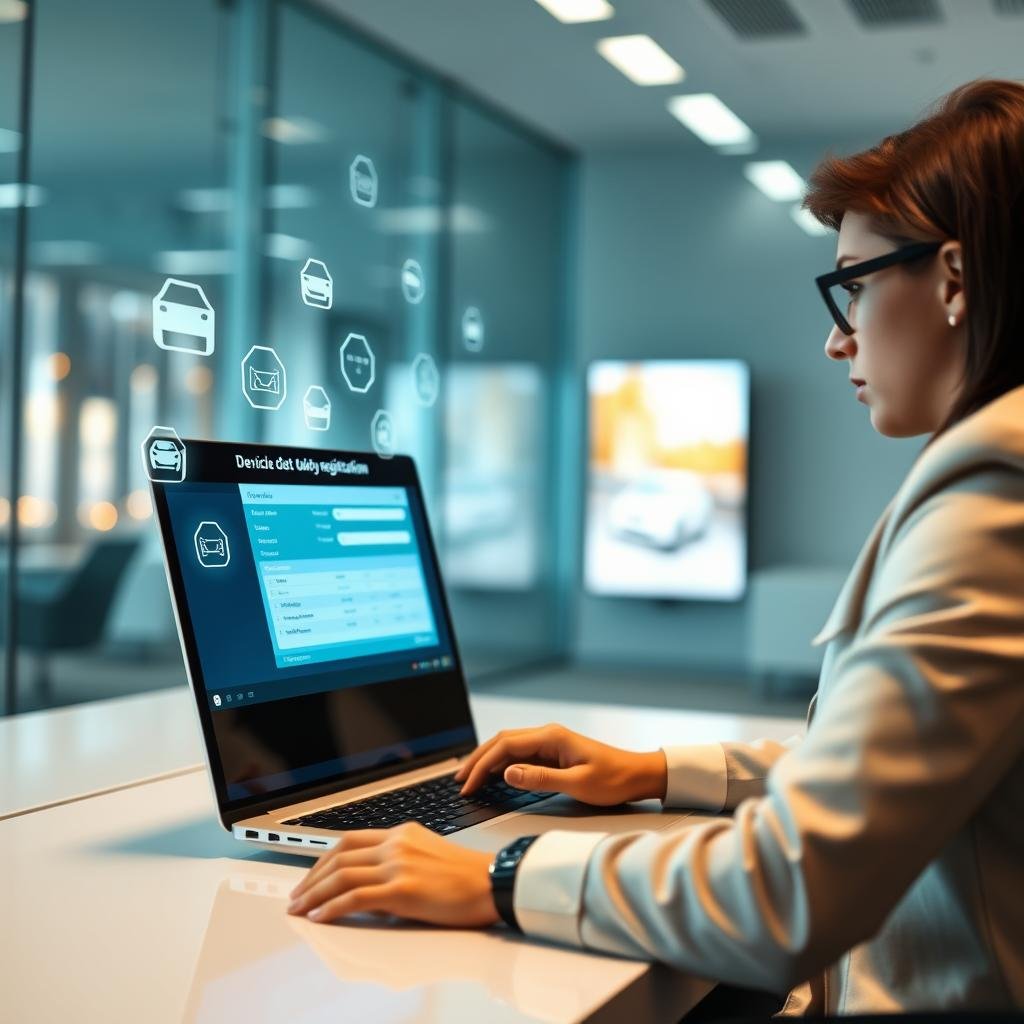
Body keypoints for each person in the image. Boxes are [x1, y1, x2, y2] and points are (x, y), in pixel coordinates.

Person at [286, 78, 1024, 1018]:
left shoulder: (995, 497)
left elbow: (792, 890)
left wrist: (502, 877)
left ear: (954, 278)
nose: (837, 342)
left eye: (853, 287)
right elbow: (887, 777)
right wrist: (653, 772)